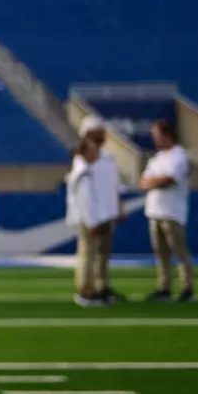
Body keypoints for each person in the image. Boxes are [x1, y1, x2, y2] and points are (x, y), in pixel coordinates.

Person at [140, 120, 194, 302]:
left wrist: (155, 181)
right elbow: (144, 181)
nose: (155, 139)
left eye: (157, 135)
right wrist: (155, 181)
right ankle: (164, 287)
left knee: (179, 251)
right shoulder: (157, 158)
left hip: (172, 212)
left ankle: (187, 287)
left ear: (167, 135)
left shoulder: (179, 156)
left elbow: (168, 180)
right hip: (155, 211)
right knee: (160, 253)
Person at [77, 116, 125, 302]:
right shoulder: (83, 158)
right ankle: (85, 289)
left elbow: (115, 185)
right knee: (88, 253)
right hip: (92, 213)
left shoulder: (106, 156)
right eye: (100, 130)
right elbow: (84, 191)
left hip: (107, 212)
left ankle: (101, 286)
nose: (104, 134)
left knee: (103, 254)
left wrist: (119, 207)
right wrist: (90, 217)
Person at [67, 137, 111, 307]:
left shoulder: (81, 170)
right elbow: (86, 201)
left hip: (85, 218)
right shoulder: (83, 173)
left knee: (87, 255)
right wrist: (92, 222)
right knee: (87, 256)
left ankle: (87, 289)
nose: (96, 153)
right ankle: (86, 291)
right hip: (87, 220)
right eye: (93, 150)